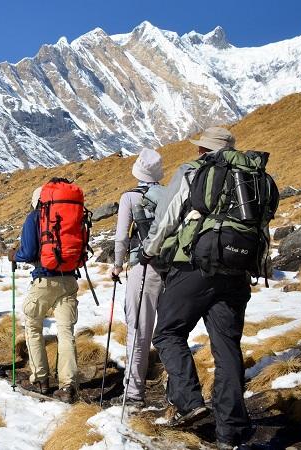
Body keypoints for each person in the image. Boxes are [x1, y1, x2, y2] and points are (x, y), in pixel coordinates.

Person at [141, 127, 273, 449]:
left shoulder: (194, 171)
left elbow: (169, 215)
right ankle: (232, 431)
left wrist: (150, 249)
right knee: (226, 346)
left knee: (168, 333)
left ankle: (189, 403)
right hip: (237, 272)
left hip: (196, 267)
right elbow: (262, 225)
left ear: (203, 150)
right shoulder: (254, 177)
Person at [10, 187, 80, 403]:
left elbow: (29, 252)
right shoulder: (70, 214)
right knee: (66, 332)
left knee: (32, 326)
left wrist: (15, 254)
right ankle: (68, 386)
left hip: (44, 279)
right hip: (69, 279)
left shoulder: (35, 217)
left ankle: (40, 379)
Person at [111, 148, 166, 407]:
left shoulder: (130, 198)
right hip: (174, 270)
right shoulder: (170, 195)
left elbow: (122, 237)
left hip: (144, 267)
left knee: (139, 330)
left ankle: (133, 393)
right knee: (170, 331)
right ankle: (175, 389)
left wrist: (117, 265)